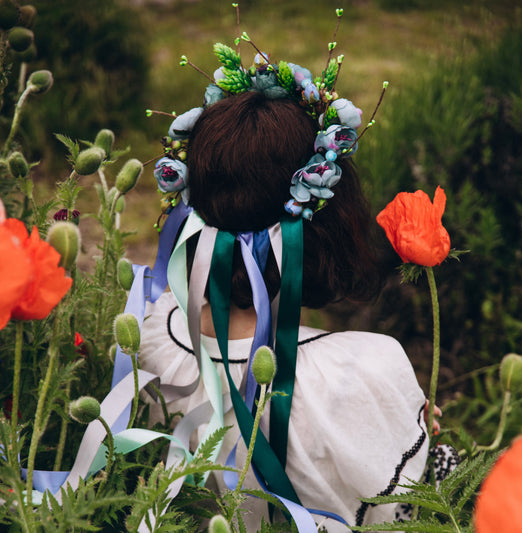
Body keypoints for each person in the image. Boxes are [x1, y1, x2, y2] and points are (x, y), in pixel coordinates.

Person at [139, 50, 429, 532]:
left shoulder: (154, 339)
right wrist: (417, 437)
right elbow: (406, 517)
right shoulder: (366, 373)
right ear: (325, 220)